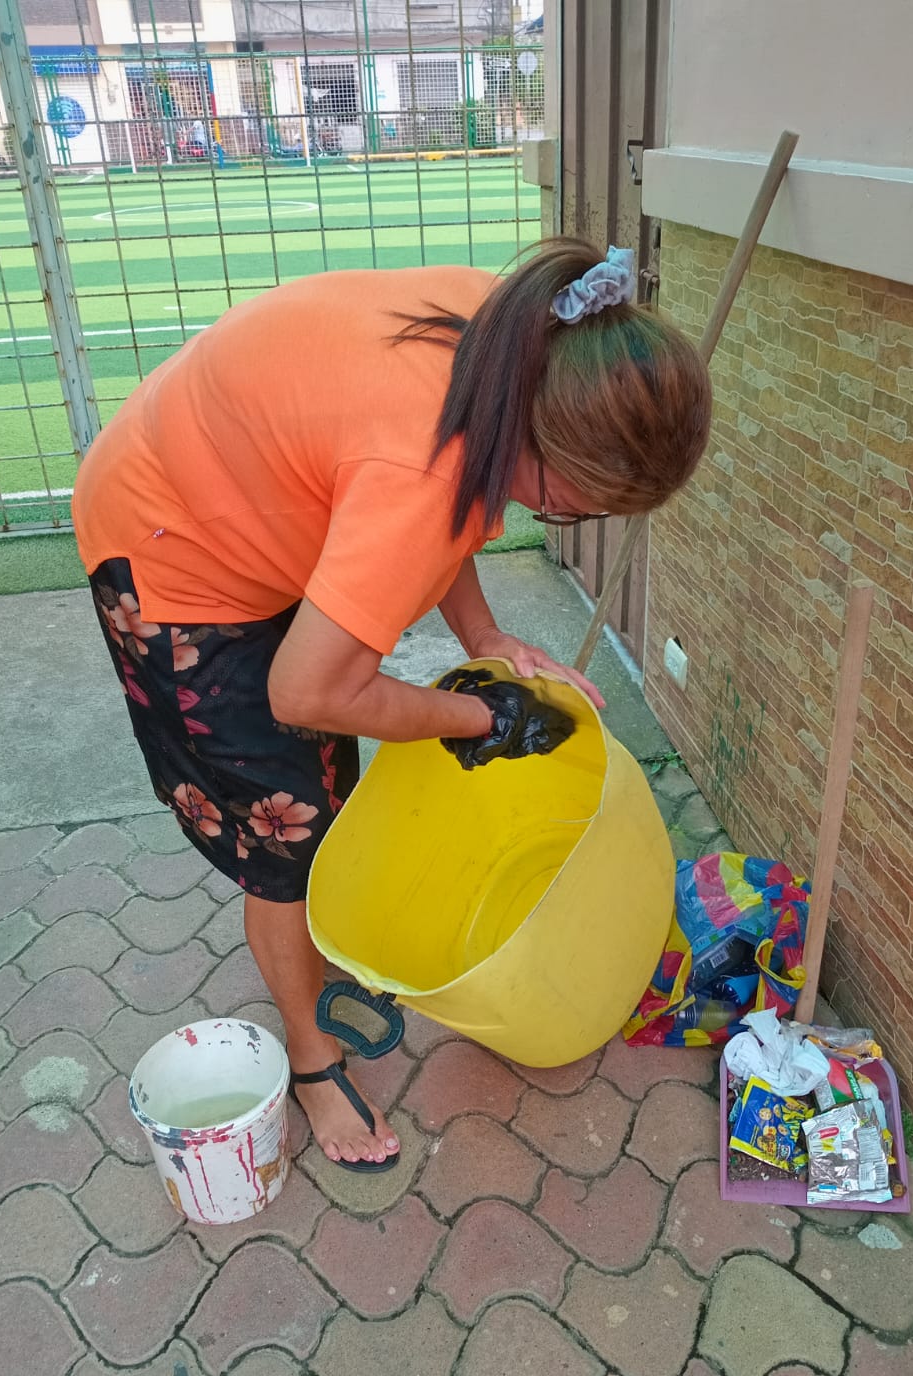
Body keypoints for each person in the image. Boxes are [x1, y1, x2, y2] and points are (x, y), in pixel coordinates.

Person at [73, 237, 711, 1174]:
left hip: (250, 494)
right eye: (572, 505)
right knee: (285, 832)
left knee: (324, 781)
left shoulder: (533, 342)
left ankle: (316, 946)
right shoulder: (427, 462)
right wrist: (478, 720)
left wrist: (484, 639)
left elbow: (445, 505)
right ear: (541, 443)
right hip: (170, 549)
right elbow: (308, 688)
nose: (560, 521)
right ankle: (310, 1060)